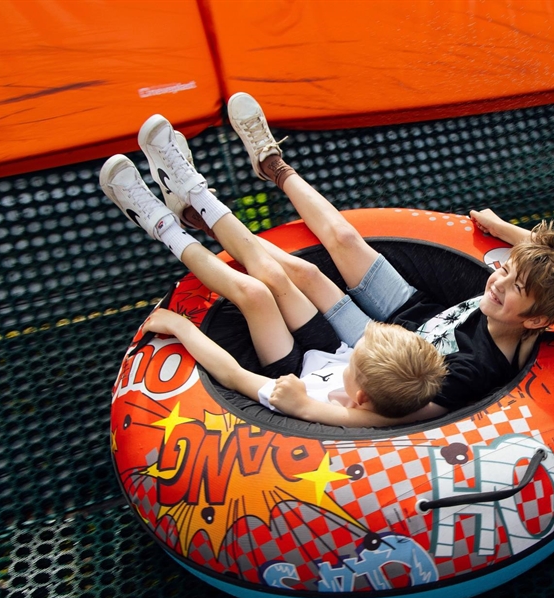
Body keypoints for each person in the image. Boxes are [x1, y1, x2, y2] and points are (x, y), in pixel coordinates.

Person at [216, 93, 554, 425]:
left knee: (302, 271)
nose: (497, 282)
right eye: (504, 270)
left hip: (379, 346)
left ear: (536, 318)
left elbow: (389, 418)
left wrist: (306, 410)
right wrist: (500, 227)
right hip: (410, 306)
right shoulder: (523, 302)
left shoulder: (475, 370)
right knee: (344, 237)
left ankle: (207, 217)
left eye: (514, 287)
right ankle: (274, 165)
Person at [99, 116, 446, 424]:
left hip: (293, 372)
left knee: (255, 294)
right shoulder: (368, 375)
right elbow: (370, 365)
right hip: (325, 348)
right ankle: (195, 192)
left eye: (359, 359)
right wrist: (351, 355)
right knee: (278, 276)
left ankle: (161, 226)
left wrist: (181, 328)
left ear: (360, 397)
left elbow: (234, 375)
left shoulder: (316, 404)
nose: (358, 344)